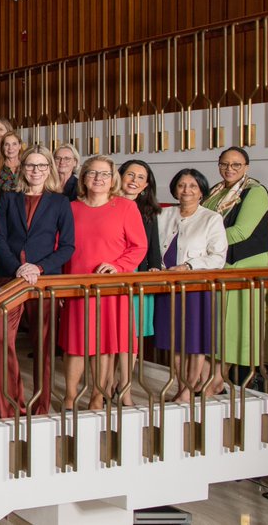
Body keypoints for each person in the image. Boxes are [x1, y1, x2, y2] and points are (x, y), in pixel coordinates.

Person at [0, 146, 75, 417]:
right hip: (11, 277)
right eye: (30, 165)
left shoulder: (60, 202)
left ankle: (41, 407)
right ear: (22, 168)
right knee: (1, 339)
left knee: (44, 346)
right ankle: (9, 405)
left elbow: (68, 246)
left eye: (41, 165)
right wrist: (18, 267)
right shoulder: (8, 198)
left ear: (49, 169)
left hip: (44, 280)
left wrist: (37, 268)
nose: (35, 170)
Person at [62, 155, 147, 410]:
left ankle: (97, 398)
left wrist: (118, 266)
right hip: (76, 285)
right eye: (92, 173)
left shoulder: (125, 207)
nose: (98, 178)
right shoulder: (70, 208)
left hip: (111, 287)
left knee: (104, 346)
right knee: (75, 345)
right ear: (83, 178)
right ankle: (69, 398)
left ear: (113, 179)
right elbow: (60, 246)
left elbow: (139, 246)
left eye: (104, 174)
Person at [154, 168, 227, 403]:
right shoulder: (163, 214)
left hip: (197, 287)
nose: (187, 190)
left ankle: (187, 391)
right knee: (174, 341)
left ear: (201, 191)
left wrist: (188, 266)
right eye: (182, 185)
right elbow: (153, 246)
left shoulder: (211, 218)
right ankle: (181, 385)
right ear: (175, 189)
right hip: (167, 286)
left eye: (193, 186)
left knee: (195, 342)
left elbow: (218, 257)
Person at [203, 146, 268, 393]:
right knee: (215, 325)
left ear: (246, 167)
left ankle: (217, 381)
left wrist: (203, 243)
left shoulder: (255, 192)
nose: (229, 169)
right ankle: (209, 381)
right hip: (220, 265)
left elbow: (242, 231)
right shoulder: (216, 191)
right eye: (224, 164)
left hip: (244, 267)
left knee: (233, 327)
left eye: (236, 165)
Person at [118, 158, 162, 398]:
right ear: (120, 176)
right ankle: (104, 384)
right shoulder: (107, 203)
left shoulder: (148, 211)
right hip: (112, 274)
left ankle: (124, 387)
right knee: (110, 332)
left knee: (131, 335)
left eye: (141, 178)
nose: (134, 181)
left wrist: (154, 268)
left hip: (137, 275)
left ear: (146, 185)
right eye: (130, 174)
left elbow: (153, 245)